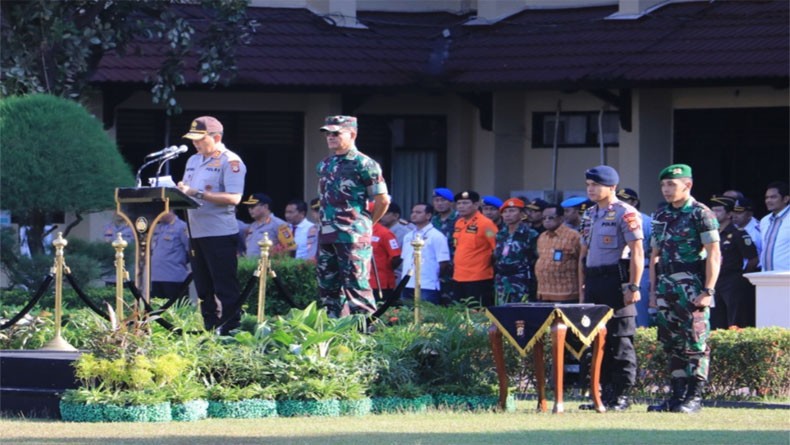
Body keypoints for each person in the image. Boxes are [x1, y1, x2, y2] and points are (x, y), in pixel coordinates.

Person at [648, 164, 720, 414]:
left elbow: (714, 254)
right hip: (666, 286)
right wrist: (653, 292)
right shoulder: (661, 215)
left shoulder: (701, 214)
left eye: (671, 184)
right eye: (663, 185)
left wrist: (708, 291)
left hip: (692, 286)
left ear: (687, 185)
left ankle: (694, 397)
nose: (666, 190)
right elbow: (654, 256)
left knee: (695, 341)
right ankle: (676, 396)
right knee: (672, 344)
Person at [578, 165, 643, 412]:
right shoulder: (589, 214)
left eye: (596, 185)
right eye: (588, 185)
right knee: (596, 339)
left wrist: (633, 286)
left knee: (620, 339)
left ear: (612, 187)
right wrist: (582, 288)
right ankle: (601, 393)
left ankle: (621, 394)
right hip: (594, 281)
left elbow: (637, 252)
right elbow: (583, 254)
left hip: (616, 280)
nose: (591, 189)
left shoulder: (625, 212)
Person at [177, 116, 246, 334]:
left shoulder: (230, 161)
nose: (195, 143)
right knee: (203, 287)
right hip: (195, 232)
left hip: (219, 233)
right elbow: (187, 190)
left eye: (200, 139)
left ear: (216, 138)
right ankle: (209, 328)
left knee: (224, 285)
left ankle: (231, 329)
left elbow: (234, 198)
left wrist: (196, 193)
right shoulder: (193, 160)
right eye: (193, 139)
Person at [316, 115, 390, 317]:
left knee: (356, 286)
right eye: (327, 134)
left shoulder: (364, 164)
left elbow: (383, 200)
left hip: (352, 235)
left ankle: (365, 331)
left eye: (336, 133)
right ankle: (334, 328)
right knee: (327, 287)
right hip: (327, 234)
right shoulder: (325, 164)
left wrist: (366, 225)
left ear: (352, 134)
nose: (330, 137)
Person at [708, 196, 758, 329]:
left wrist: (742, 276)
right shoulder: (712, 234)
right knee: (716, 321)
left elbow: (753, 258)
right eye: (713, 210)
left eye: (718, 210)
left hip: (732, 281)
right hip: (715, 281)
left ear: (729, 214)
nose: (714, 214)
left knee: (735, 321)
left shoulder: (738, 234)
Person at [452, 190, 498, 307]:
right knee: (459, 311)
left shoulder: (486, 224)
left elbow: (496, 247)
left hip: (478, 277)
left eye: (465, 203)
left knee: (477, 312)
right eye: (459, 203)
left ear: (476, 205)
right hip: (458, 276)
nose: (461, 206)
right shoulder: (459, 223)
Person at [617, 187, 654, 327]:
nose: (621, 203)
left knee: (640, 315)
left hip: (642, 269)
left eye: (624, 200)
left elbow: (653, 250)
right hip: (618, 270)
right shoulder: (613, 218)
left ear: (634, 202)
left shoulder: (646, 221)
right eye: (619, 200)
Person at [400, 203, 450, 305]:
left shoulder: (436, 236)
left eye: (418, 212)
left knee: (425, 313)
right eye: (413, 212)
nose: (414, 215)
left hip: (427, 284)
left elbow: (444, 262)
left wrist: (434, 276)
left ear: (428, 215)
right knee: (406, 313)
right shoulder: (408, 236)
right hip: (407, 283)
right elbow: (405, 259)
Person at [493, 198, 538, 304]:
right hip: (501, 280)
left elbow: (536, 257)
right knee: (501, 310)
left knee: (520, 309)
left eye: (512, 211)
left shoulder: (530, 234)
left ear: (522, 214)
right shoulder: (500, 234)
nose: (508, 215)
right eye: (505, 212)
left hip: (521, 279)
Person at [535, 204, 581, 303]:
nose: (546, 220)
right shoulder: (542, 237)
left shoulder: (573, 236)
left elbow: (581, 262)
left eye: (551, 217)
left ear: (561, 218)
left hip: (567, 295)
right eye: (544, 218)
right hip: (543, 294)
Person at [149, 211, 191, 301]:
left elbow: (191, 251)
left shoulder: (182, 227)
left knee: (175, 307)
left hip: (174, 278)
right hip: (155, 278)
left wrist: (179, 261)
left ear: (169, 210)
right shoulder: (157, 227)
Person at [240, 193, 290, 258]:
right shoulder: (251, 226)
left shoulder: (280, 225)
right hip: (250, 263)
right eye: (248, 207)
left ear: (265, 207)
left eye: (253, 206)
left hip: (269, 263)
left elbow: (290, 248)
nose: (250, 209)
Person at [431, 187, 458, 304]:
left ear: (451, 203)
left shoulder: (459, 219)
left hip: (453, 266)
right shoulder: (433, 220)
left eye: (443, 200)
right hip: (436, 265)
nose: (439, 203)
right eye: (436, 200)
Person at [760, 181, 790, 271]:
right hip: (765, 276)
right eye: (766, 197)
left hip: (786, 275)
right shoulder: (764, 221)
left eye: (773, 197)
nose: (768, 201)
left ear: (786, 199)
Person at [369, 219, 401, 302]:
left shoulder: (385, 233)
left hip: (380, 283)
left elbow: (396, 257)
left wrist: (385, 270)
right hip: (363, 281)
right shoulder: (360, 232)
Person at [102, 214, 135, 287]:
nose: (118, 214)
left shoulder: (132, 227)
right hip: (111, 268)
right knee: (110, 290)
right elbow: (106, 243)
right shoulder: (108, 226)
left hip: (127, 266)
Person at [730, 197, 762, 268]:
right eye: (734, 212)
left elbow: (756, 259)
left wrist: (745, 272)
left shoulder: (758, 231)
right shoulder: (732, 226)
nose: (735, 216)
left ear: (749, 214)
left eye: (739, 213)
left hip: (753, 270)